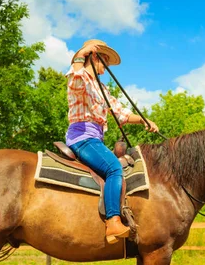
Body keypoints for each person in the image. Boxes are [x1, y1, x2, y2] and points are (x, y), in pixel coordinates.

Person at [66, 39, 159, 244]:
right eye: (104, 61)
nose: (106, 67)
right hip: (82, 137)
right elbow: (75, 79)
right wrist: (81, 54)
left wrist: (144, 120)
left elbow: (121, 113)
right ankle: (113, 222)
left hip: (95, 138)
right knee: (114, 168)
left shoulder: (103, 90)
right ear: (95, 57)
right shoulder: (81, 78)